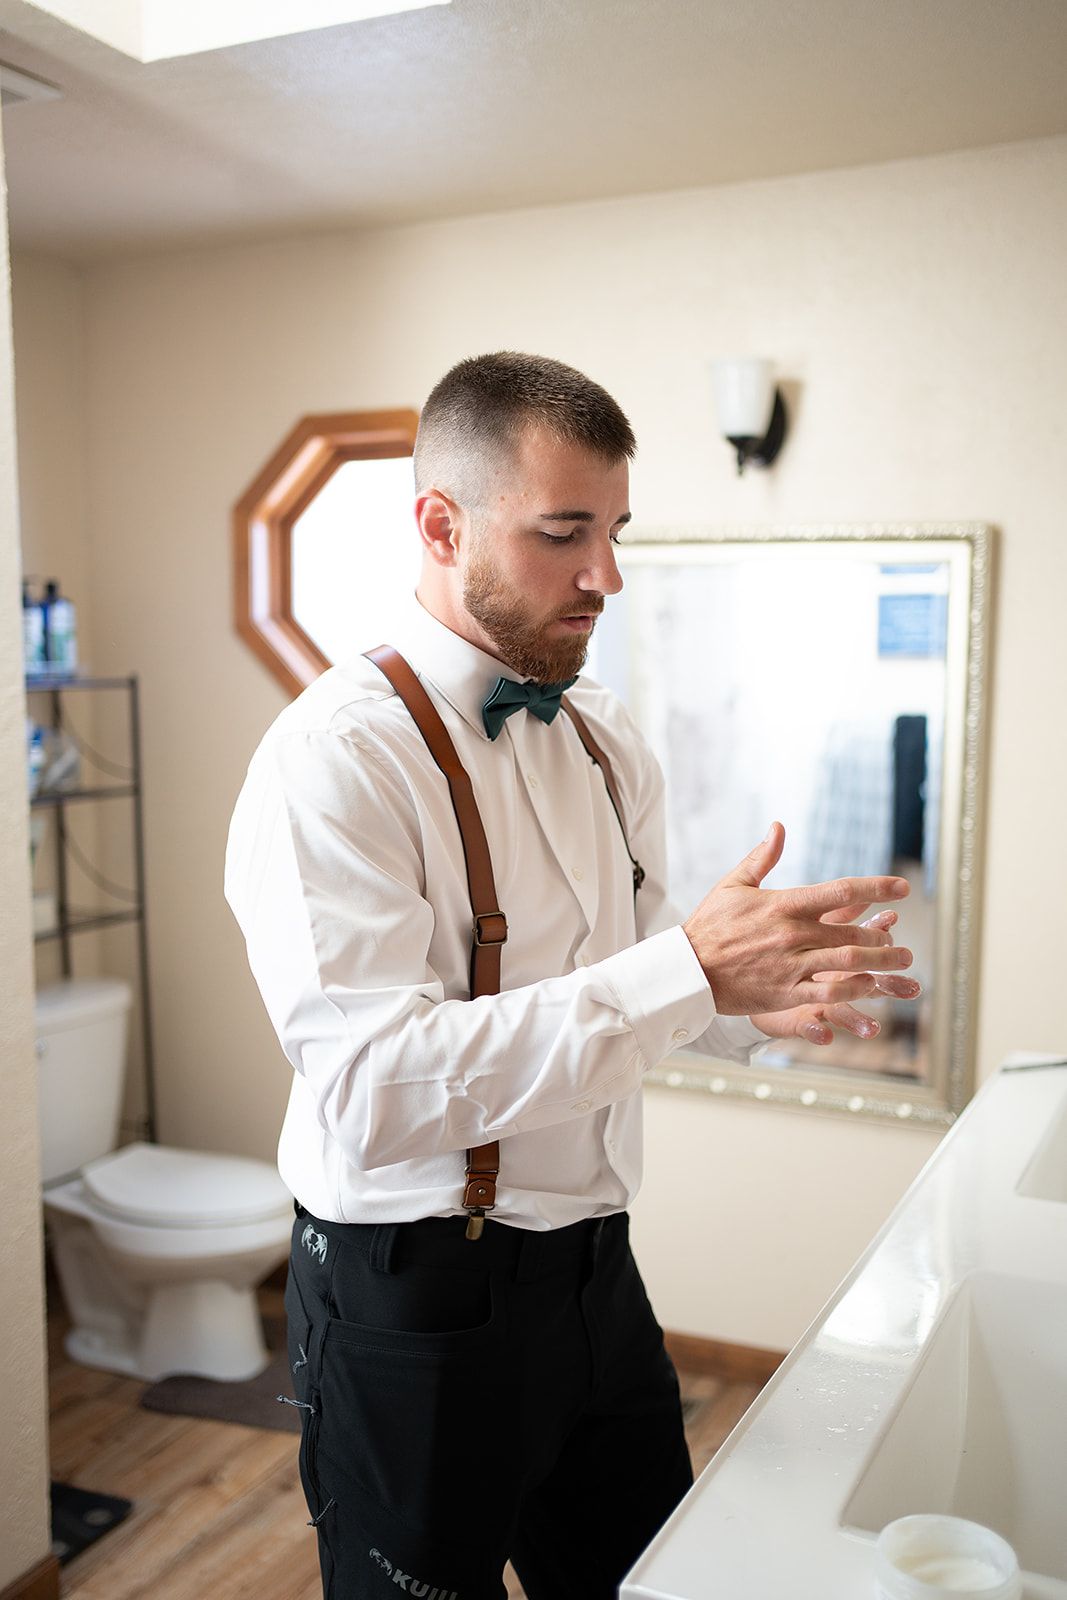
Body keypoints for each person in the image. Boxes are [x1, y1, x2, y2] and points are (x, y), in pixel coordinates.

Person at [223, 351, 919, 1600]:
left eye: (612, 530)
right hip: (414, 1296)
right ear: (439, 524)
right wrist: (687, 971)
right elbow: (378, 1093)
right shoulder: (329, 764)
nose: (604, 575)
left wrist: (754, 996)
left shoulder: (599, 734)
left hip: (596, 1269)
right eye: (562, 533)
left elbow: (631, 975)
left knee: (643, 1578)